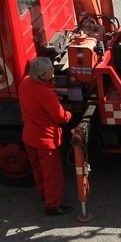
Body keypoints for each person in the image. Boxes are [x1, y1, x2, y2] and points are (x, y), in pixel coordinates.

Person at [17, 57, 73, 217]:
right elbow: (61, 117)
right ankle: (53, 206)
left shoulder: (25, 83)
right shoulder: (44, 93)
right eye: (51, 71)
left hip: (29, 137)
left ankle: (43, 195)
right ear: (42, 76)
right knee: (52, 175)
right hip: (45, 141)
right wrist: (69, 114)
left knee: (38, 171)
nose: (54, 72)